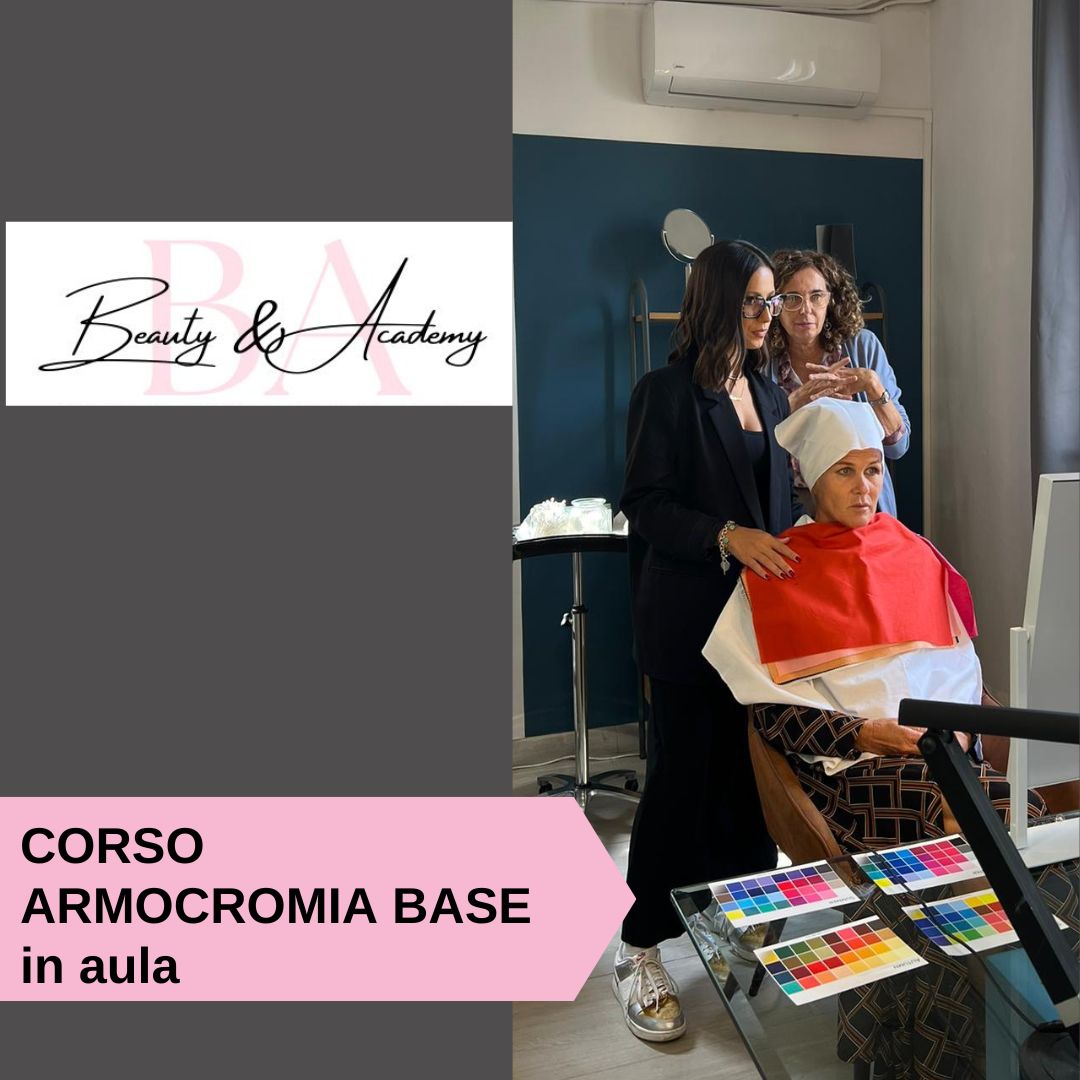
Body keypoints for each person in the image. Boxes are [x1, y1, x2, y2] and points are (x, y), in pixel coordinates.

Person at [703, 398, 1046, 852]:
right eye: (844, 471)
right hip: (844, 769)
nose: (863, 488)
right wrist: (864, 734)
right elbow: (769, 713)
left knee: (1025, 812)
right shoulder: (777, 570)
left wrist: (960, 733)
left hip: (939, 754)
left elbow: (963, 674)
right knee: (968, 812)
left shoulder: (917, 555)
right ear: (813, 478)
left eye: (873, 470)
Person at [616, 240, 803, 1043]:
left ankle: (732, 916)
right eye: (756, 302)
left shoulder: (768, 389)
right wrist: (726, 535)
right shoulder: (664, 392)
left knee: (744, 779)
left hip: (757, 627)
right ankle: (640, 946)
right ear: (719, 303)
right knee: (680, 779)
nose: (769, 316)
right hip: (687, 622)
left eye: (772, 302)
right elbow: (645, 502)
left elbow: (774, 506)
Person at [768, 249, 911, 519]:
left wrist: (872, 384)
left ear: (831, 300)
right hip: (789, 499)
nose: (805, 310)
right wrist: (791, 406)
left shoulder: (863, 347)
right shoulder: (761, 358)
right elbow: (750, 450)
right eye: (792, 298)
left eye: (816, 296)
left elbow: (898, 447)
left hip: (859, 502)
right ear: (775, 304)